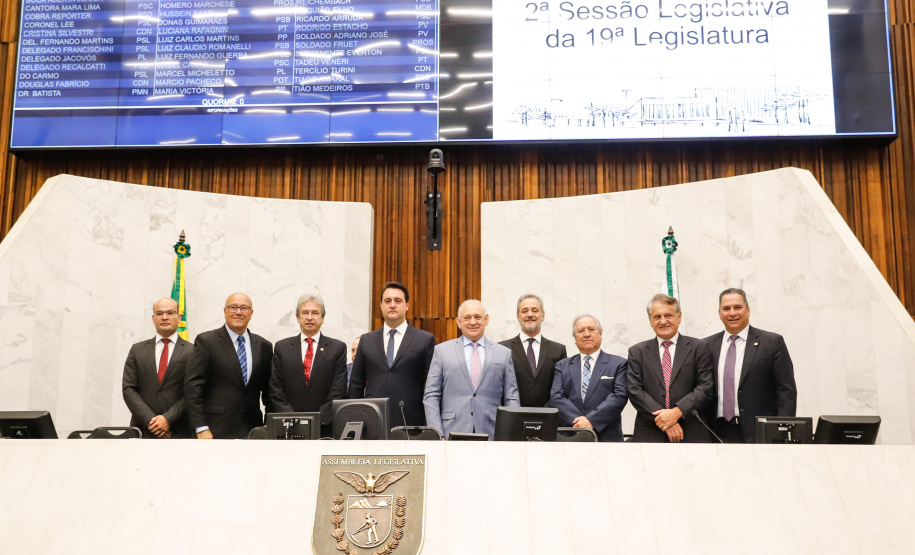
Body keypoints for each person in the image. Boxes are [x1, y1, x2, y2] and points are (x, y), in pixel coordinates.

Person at [703, 288, 797, 443]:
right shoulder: (706, 345)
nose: (732, 313)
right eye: (726, 309)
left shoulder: (772, 343)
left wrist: (782, 429)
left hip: (759, 433)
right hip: (716, 432)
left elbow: (786, 391)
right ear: (719, 313)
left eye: (737, 307)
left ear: (748, 310)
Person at [423, 300, 520, 439]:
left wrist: (510, 433)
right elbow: (431, 396)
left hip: (493, 434)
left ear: (486, 320)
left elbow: (512, 397)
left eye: (477, 317)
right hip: (451, 433)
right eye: (467, 318)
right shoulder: (441, 351)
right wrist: (437, 433)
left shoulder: (504, 354)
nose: (473, 322)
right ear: (458, 322)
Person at [184, 292, 273, 439]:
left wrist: (269, 422)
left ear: (251, 313)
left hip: (252, 430)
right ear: (224, 311)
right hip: (213, 430)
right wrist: (200, 426)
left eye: (244, 308)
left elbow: (270, 390)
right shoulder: (207, 341)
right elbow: (193, 387)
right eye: (233, 307)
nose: (238, 312)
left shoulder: (264, 346)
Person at [627, 294, 714, 443]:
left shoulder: (699, 348)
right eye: (657, 317)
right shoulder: (637, 352)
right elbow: (634, 390)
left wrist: (677, 412)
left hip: (692, 430)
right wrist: (666, 421)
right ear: (650, 321)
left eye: (668, 315)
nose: (663, 321)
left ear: (679, 317)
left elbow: (706, 387)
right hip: (650, 432)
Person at [349, 282, 435, 427]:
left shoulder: (424, 340)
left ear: (407, 305)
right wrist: (355, 419)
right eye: (387, 301)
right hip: (372, 421)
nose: (393, 305)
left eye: (398, 301)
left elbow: (431, 386)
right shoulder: (366, 340)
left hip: (412, 422)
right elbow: (356, 385)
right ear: (380, 305)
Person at [122, 297, 193, 438]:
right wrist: (152, 422)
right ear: (153, 318)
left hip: (178, 431)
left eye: (170, 313)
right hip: (143, 430)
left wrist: (168, 419)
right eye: (159, 313)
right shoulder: (137, 350)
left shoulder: (193, 351)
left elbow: (193, 392)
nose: (165, 317)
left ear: (179, 318)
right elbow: (129, 389)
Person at [550, 314, 628, 441]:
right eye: (581, 331)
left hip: (607, 437)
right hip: (571, 436)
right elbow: (556, 397)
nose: (586, 334)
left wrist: (591, 420)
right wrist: (580, 424)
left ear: (600, 335)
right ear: (575, 338)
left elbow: (619, 396)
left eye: (591, 329)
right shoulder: (562, 365)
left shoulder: (618, 364)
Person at [269, 293, 347, 413]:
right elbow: (276, 388)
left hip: (324, 425)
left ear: (322, 318)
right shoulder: (282, 348)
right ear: (297, 318)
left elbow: (338, 390)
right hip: (288, 424)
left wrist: (319, 418)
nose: (309, 317)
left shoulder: (337, 348)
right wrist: (291, 418)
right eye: (305, 313)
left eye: (315, 313)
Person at [499, 294, 567, 407]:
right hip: (513, 417)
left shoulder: (558, 350)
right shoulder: (503, 349)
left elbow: (561, 388)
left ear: (543, 316)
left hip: (549, 417)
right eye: (524, 311)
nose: (530, 314)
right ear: (518, 316)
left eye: (535, 310)